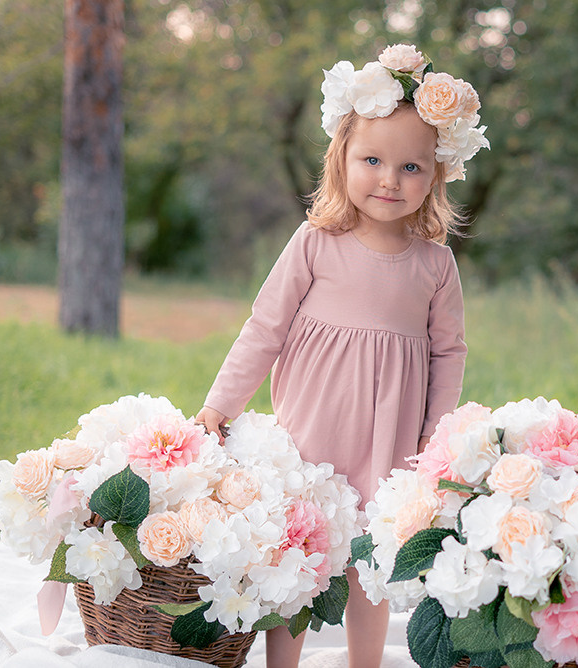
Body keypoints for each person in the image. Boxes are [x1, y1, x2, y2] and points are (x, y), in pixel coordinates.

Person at [195, 44, 489, 668]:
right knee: (302, 552)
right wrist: (221, 404)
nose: (389, 178)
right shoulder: (316, 242)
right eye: (373, 160)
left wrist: (435, 436)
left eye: (411, 166)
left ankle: (365, 663)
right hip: (312, 426)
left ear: (437, 174)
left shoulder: (435, 264)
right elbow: (264, 328)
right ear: (342, 161)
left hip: (389, 435)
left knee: (368, 559)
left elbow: (448, 353)